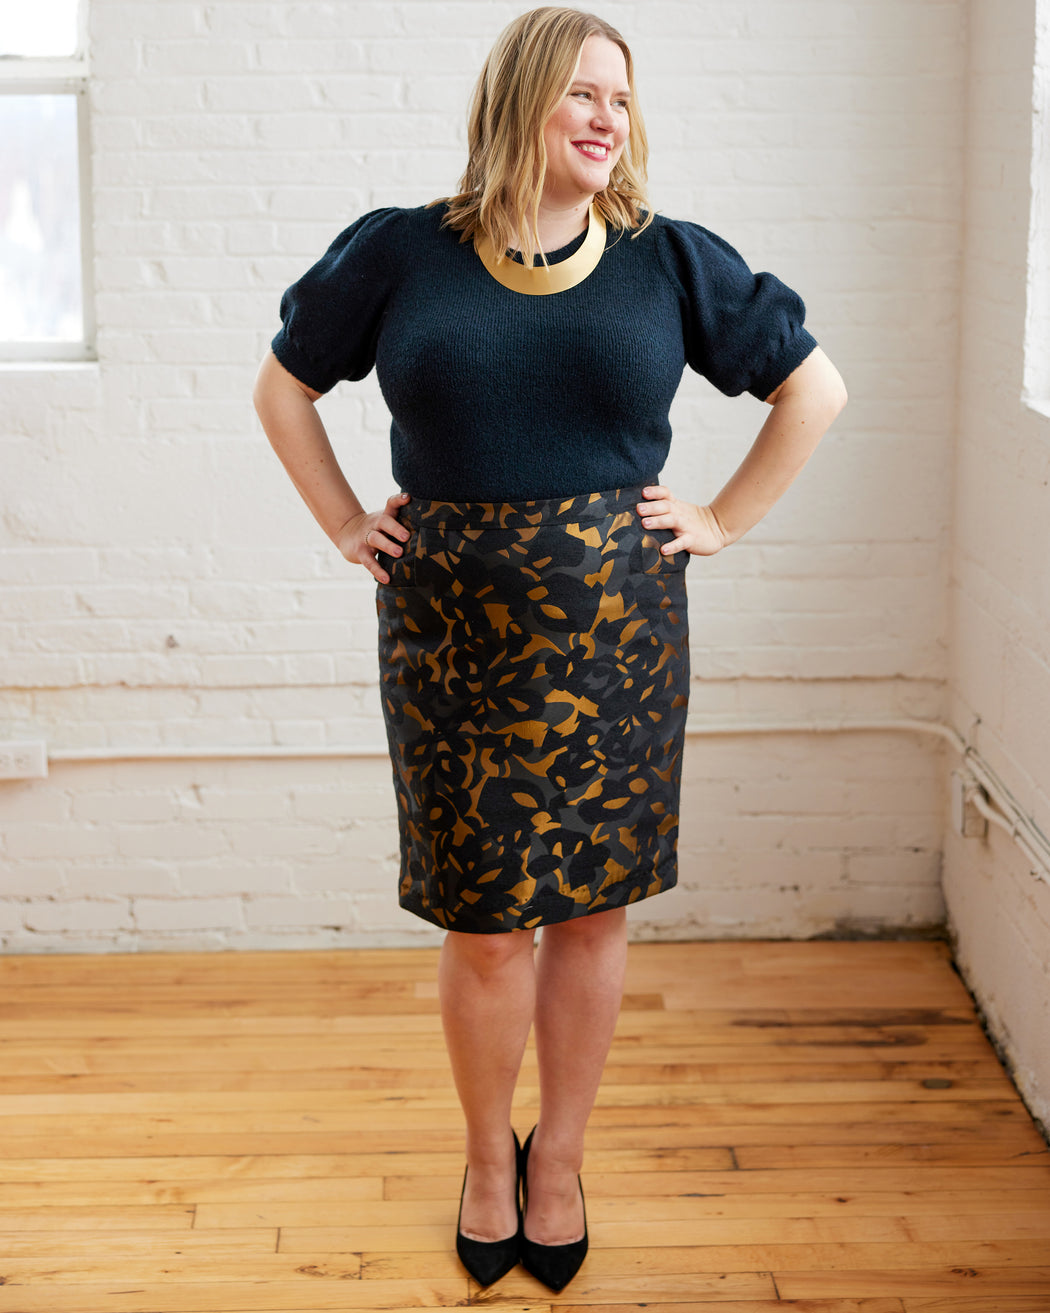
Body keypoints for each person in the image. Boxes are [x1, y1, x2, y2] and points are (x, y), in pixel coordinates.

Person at [253, 5, 847, 1292]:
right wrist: (348, 520)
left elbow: (816, 386)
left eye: (621, 101)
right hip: (450, 639)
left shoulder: (665, 259)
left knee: (590, 916)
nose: (605, 118)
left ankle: (560, 1159)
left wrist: (722, 520)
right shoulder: (403, 252)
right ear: (520, 98)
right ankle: (485, 1157)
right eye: (581, 92)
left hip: (618, 641)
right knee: (480, 930)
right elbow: (282, 386)